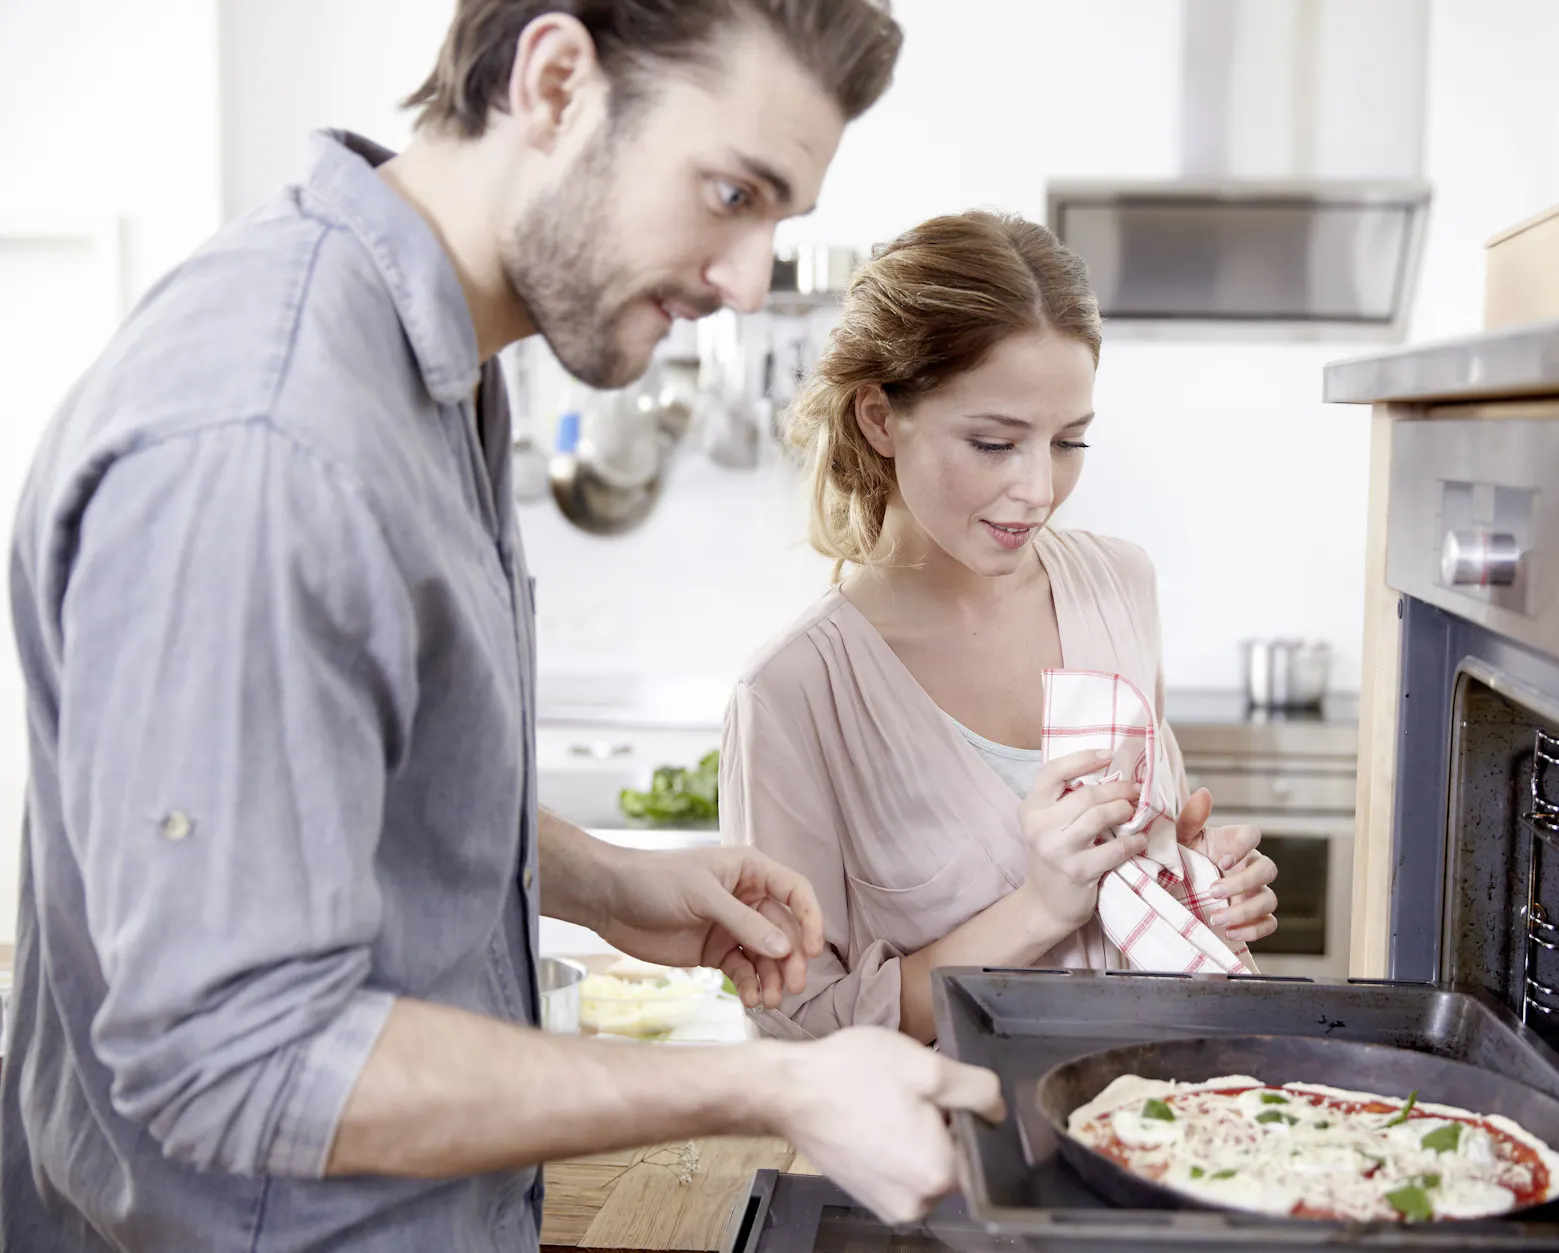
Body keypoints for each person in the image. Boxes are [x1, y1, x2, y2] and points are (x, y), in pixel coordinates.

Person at [2, 3, 1003, 1248]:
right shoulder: (268, 441)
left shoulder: (433, 371)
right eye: (733, 194)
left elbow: (320, 773)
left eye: (777, 222)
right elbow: (237, 1059)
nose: (746, 284)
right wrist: (770, 1081)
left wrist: (592, 878)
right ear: (554, 82)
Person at [719, 212, 1283, 1044]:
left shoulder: (1119, 586)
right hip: (946, 1157)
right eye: (993, 442)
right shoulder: (793, 696)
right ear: (880, 418)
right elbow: (799, 1026)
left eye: (1068, 441)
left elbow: (1150, 875)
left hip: (1151, 1114)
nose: (1037, 490)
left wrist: (1201, 887)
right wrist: (1038, 908)